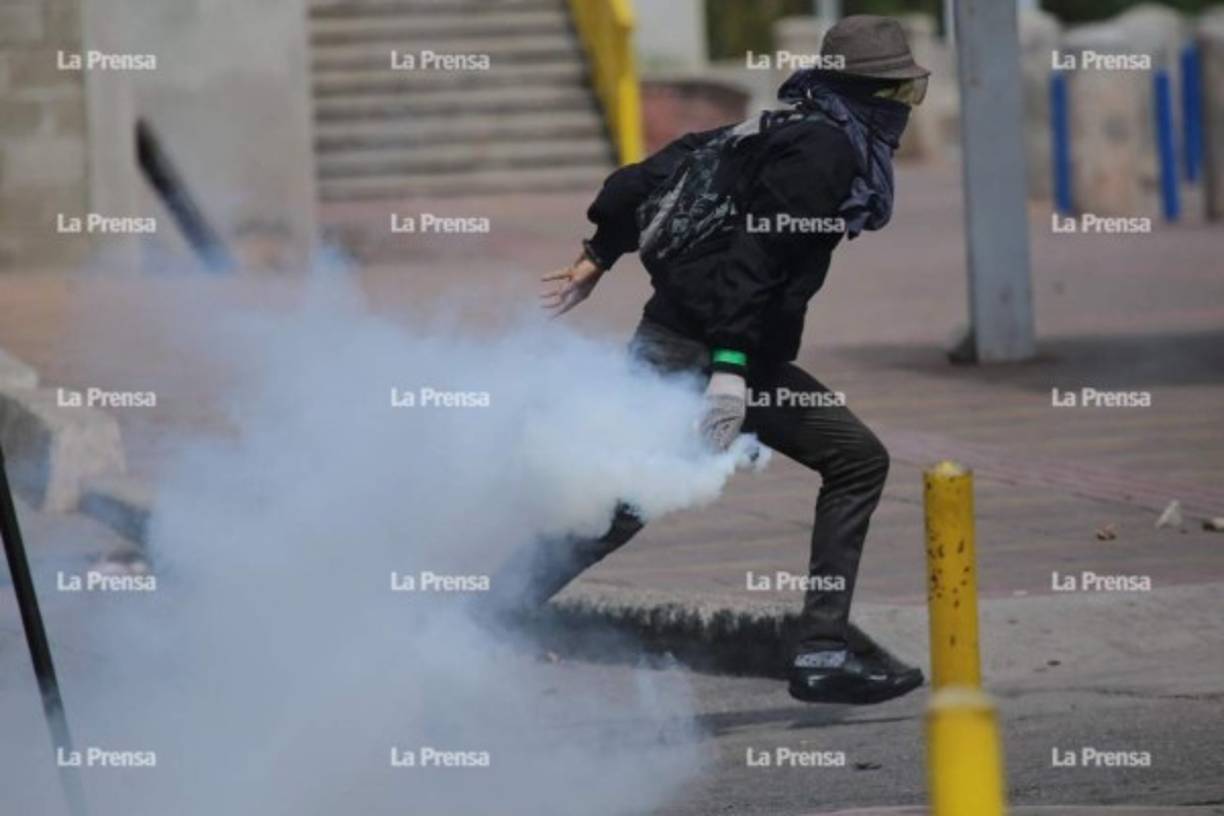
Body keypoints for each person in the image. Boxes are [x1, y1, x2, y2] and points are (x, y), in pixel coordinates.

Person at [503, 16, 930, 705]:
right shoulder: (825, 154)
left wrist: (597, 256)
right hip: (716, 352)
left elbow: (635, 182)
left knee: (622, 502)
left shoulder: (769, 125)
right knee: (857, 461)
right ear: (865, 90)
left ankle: (486, 610)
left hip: (671, 339)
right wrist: (730, 370)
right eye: (895, 94)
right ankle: (821, 649)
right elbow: (755, 263)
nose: (901, 110)